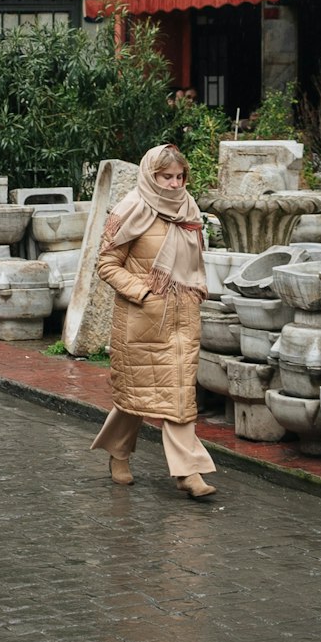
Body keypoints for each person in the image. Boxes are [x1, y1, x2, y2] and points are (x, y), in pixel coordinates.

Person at [90, 143, 218, 500]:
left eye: (180, 177)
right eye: (167, 177)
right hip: (141, 320)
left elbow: (194, 261)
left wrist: (197, 290)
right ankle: (118, 453)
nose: (175, 185)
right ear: (151, 175)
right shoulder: (129, 210)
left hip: (183, 317)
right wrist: (143, 292)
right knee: (137, 399)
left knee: (178, 396)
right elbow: (106, 265)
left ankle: (187, 473)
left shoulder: (189, 209)